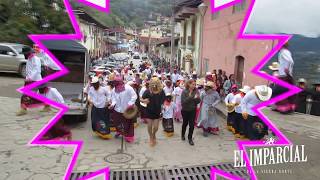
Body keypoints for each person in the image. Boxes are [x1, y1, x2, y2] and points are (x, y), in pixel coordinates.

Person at [110, 76, 137, 143]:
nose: (115, 84)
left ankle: (129, 136)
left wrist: (130, 103)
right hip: (117, 109)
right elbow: (113, 98)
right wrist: (112, 105)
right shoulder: (114, 89)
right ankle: (119, 131)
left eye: (117, 82)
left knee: (128, 123)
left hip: (126, 110)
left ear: (120, 82)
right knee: (117, 121)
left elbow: (134, 96)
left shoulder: (128, 88)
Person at [16, 49, 43, 116]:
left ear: (30, 53)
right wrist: (27, 78)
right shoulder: (29, 59)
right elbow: (28, 70)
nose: (25, 55)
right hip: (30, 79)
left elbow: (37, 70)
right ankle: (47, 105)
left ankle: (23, 110)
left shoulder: (36, 59)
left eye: (26, 54)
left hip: (35, 80)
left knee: (26, 94)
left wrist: (30, 78)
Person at [141, 77, 165, 147]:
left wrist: (163, 105)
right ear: (151, 84)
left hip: (157, 112)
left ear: (158, 83)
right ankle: (151, 138)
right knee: (149, 125)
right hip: (149, 111)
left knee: (156, 127)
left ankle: (154, 134)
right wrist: (144, 101)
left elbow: (163, 100)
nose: (154, 85)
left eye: (156, 83)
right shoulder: (148, 91)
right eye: (153, 83)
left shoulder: (161, 91)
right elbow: (141, 99)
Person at [275, 42, 296, 113]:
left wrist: (287, 69)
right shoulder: (285, 52)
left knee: (281, 91)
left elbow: (290, 61)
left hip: (284, 75)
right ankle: (288, 107)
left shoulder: (284, 52)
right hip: (285, 75)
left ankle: (284, 108)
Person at [181, 79, 201, 146]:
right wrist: (190, 97)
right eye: (192, 84)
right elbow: (183, 102)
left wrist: (197, 98)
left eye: (195, 84)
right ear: (189, 84)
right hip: (185, 110)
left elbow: (198, 101)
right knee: (185, 123)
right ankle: (183, 134)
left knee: (192, 125)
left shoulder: (196, 91)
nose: (194, 86)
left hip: (193, 110)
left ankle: (190, 138)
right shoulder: (184, 91)